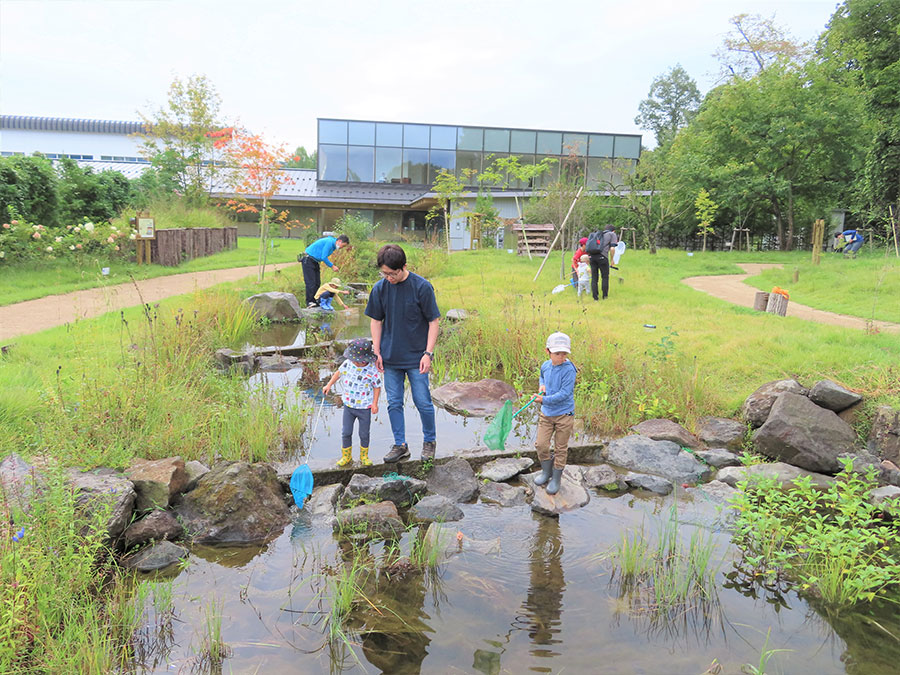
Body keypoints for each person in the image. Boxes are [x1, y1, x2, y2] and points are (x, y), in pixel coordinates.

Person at [365, 244, 440, 463]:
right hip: (390, 358)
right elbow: (376, 320)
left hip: (417, 358)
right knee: (394, 402)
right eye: (384, 273)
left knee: (423, 401)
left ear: (403, 267)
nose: (388, 277)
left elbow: (433, 322)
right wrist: (376, 351)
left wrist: (428, 353)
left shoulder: (422, 287)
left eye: (392, 273)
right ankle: (400, 445)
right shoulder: (380, 288)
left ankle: (429, 441)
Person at [323, 338, 381, 467]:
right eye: (354, 359)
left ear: (366, 358)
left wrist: (375, 403)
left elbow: (377, 386)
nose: (355, 362)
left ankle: (364, 456)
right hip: (349, 406)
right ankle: (346, 456)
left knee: (364, 433)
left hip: (365, 407)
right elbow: (338, 374)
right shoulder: (348, 364)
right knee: (346, 432)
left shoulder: (371, 370)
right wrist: (328, 385)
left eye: (358, 360)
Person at [533, 332, 577, 495]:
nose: (561, 357)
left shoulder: (569, 370)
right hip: (547, 414)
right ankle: (546, 472)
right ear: (548, 351)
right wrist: (542, 387)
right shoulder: (545, 365)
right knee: (541, 444)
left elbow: (564, 394)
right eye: (557, 353)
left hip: (564, 414)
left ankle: (556, 478)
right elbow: (542, 377)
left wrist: (542, 400)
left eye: (564, 353)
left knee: (560, 448)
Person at [300, 234, 350, 307]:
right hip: (308, 260)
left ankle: (315, 301)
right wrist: (332, 266)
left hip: (315, 261)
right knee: (311, 283)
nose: (342, 248)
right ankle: (310, 302)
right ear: (339, 241)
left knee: (317, 283)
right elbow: (324, 257)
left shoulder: (333, 245)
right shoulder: (330, 242)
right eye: (343, 245)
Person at [586, 224, 618, 301]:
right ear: (613, 230)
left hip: (592, 257)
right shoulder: (612, 234)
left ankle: (595, 297)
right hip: (602, 257)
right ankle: (604, 297)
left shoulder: (598, 234)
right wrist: (612, 259)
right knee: (605, 277)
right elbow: (612, 248)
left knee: (594, 277)